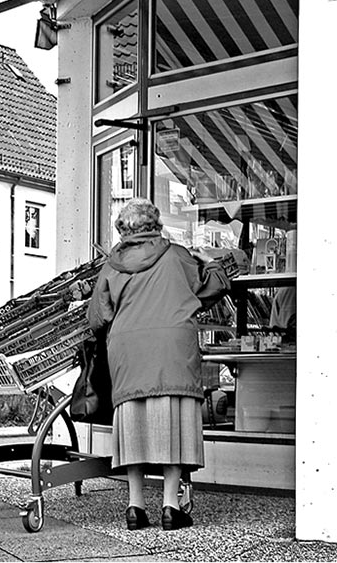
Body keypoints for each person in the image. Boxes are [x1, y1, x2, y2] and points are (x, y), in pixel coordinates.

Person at [87, 198, 230, 531]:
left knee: (133, 425)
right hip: (171, 349)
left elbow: (97, 318)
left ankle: (135, 507)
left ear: (122, 231)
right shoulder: (177, 256)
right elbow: (212, 288)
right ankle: (169, 506)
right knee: (173, 423)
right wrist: (210, 261)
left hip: (127, 351)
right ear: (156, 225)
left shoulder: (111, 266)